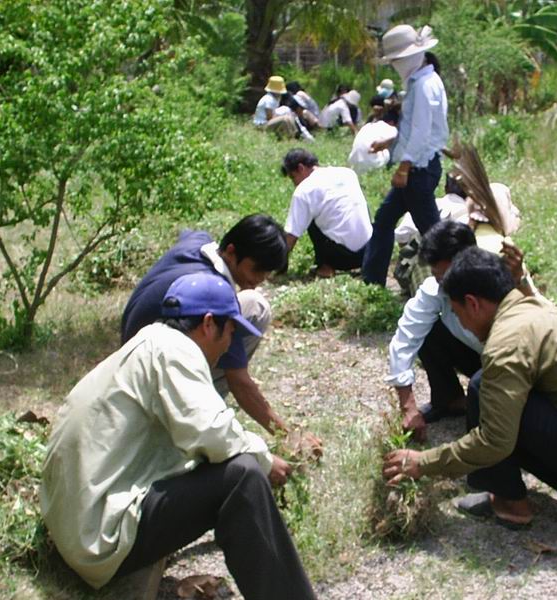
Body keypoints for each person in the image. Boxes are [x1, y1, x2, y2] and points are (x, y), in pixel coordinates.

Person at [41, 272, 316, 598]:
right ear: (209, 324)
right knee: (243, 475)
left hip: (80, 526)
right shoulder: (175, 350)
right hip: (100, 536)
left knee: (230, 466)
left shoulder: (150, 343)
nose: (229, 344)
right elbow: (212, 433)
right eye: (231, 331)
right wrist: (265, 460)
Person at [383, 248, 557, 529]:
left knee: (482, 388)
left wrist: (424, 462)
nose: (461, 324)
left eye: (457, 312)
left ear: (473, 304)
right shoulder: (534, 309)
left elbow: (494, 442)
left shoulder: (507, 342)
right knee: (504, 399)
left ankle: (509, 503)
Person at [121, 215, 322, 468]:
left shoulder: (199, 243)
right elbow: (239, 381)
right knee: (254, 311)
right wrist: (288, 435)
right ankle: (199, 409)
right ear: (231, 251)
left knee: (254, 305)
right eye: (256, 270)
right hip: (150, 377)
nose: (260, 279)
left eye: (267, 273)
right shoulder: (212, 289)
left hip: (134, 350)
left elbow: (187, 231)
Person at [388, 221, 533, 442]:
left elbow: (537, 325)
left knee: (481, 392)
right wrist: (408, 407)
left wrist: (521, 283)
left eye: (444, 275)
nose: (441, 282)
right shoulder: (437, 289)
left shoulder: (501, 279)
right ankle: (450, 399)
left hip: (510, 365)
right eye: (436, 275)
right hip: (478, 357)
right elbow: (405, 338)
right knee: (429, 329)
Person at [362, 24, 449, 285]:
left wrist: (403, 168)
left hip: (418, 170)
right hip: (418, 167)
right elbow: (416, 129)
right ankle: (372, 280)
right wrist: (390, 142)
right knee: (385, 220)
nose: (394, 65)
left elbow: (421, 133)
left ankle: (456, 278)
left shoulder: (423, 85)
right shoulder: (422, 82)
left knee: (433, 234)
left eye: (396, 60)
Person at [281, 148, 372, 277]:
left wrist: (276, 264)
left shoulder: (304, 190)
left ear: (301, 168)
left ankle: (326, 267)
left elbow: (292, 235)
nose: (294, 184)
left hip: (342, 258)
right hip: (368, 251)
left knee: (309, 216)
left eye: (293, 177)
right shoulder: (347, 173)